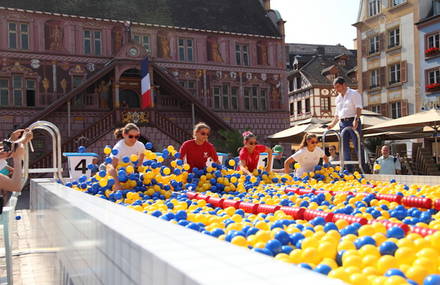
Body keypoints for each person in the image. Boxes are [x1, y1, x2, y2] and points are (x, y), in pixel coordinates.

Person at [327, 77, 364, 171]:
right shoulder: (337, 98)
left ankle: (363, 167)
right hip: (342, 123)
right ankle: (349, 169)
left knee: (357, 145)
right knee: (344, 147)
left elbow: (358, 107)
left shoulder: (354, 93)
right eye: (335, 88)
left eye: (338, 87)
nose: (336, 89)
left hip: (353, 121)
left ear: (344, 84)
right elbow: (337, 114)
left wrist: (357, 119)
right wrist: (332, 124)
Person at [109, 123, 145, 190]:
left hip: (129, 175)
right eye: (131, 136)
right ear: (124, 135)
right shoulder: (118, 148)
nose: (134, 139)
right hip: (117, 173)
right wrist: (117, 183)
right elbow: (111, 167)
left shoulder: (140, 146)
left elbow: (140, 163)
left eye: (136, 136)